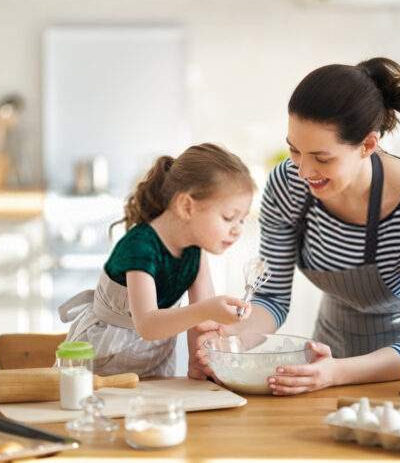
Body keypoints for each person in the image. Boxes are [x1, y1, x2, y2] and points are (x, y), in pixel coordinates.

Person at [192, 57, 400, 393]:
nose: (303, 171)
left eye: (322, 158)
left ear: (368, 145)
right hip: (332, 343)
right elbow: (272, 297)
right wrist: (230, 339)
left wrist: (336, 373)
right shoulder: (287, 186)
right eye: (295, 151)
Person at [60, 143, 255, 377]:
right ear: (186, 206)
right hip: (102, 361)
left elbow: (201, 322)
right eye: (228, 218)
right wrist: (207, 310)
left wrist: (198, 362)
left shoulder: (195, 251)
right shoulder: (140, 246)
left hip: (153, 362)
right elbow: (148, 325)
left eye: (241, 220)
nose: (237, 230)